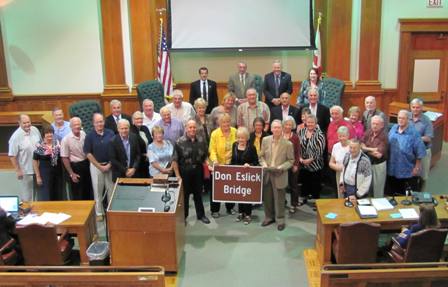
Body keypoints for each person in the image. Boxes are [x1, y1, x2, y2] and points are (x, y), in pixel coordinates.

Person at [172, 120, 210, 224]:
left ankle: (201, 215)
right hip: (185, 171)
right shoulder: (179, 142)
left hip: (198, 170)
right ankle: (183, 217)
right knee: (185, 196)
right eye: (190, 127)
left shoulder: (202, 140)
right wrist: (178, 176)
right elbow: (174, 160)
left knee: (198, 193)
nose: (192, 129)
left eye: (194, 127)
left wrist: (209, 164)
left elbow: (205, 156)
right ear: (186, 128)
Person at [259, 120, 294, 231]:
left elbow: (291, 160)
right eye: (274, 127)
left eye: (279, 127)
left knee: (279, 198)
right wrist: (263, 164)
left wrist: (282, 167)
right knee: (267, 197)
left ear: (282, 129)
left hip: (279, 173)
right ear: (271, 129)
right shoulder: (265, 140)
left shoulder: (288, 144)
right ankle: (269, 217)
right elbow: (261, 156)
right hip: (267, 173)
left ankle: (280, 220)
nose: (276, 129)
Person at [387, 110, 426, 195]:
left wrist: (417, 167)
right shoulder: (394, 128)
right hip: (392, 168)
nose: (400, 120)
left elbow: (420, 152)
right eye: (399, 118)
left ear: (408, 119)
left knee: (403, 197)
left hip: (406, 170)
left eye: (403, 118)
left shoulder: (414, 134)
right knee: (391, 194)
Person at [84, 113, 115, 219]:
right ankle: (99, 213)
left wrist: (110, 164)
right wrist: (99, 166)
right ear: (93, 123)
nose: (100, 124)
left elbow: (115, 149)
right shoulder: (89, 136)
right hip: (96, 167)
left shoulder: (110, 133)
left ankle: (111, 211)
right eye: (97, 122)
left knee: (111, 189)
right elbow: (88, 153)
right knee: (98, 190)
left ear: (104, 122)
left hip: (110, 166)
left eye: (101, 121)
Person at [208, 113, 237, 218]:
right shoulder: (215, 134)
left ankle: (230, 207)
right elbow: (212, 150)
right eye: (223, 122)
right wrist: (215, 162)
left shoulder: (235, 131)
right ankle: (215, 210)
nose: (226, 124)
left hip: (231, 166)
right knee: (216, 188)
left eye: (228, 121)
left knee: (231, 188)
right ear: (219, 123)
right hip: (218, 165)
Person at [8, 114, 41, 202]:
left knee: (39, 196)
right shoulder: (15, 137)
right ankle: (27, 214)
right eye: (24, 123)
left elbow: (41, 145)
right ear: (19, 123)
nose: (27, 125)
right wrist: (18, 170)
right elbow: (12, 155)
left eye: (28, 122)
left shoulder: (35, 130)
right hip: (26, 171)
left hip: (38, 169)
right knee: (27, 197)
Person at [230, 127, 259, 224]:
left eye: (242, 138)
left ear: (247, 138)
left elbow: (256, 162)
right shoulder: (234, 145)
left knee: (246, 196)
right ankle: (240, 213)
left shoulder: (251, 147)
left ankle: (248, 214)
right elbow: (232, 160)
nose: (240, 140)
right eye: (238, 137)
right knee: (239, 195)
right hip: (237, 176)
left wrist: (249, 165)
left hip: (248, 176)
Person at [61, 117, 93, 200]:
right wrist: (72, 174)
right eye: (75, 125)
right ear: (70, 126)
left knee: (88, 191)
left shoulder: (83, 134)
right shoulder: (65, 140)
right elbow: (64, 158)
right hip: (75, 167)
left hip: (86, 164)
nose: (77, 126)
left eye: (78, 124)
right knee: (78, 193)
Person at [298, 115, 326, 205]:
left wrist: (310, 160)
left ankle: (315, 202)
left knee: (315, 184)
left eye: (312, 122)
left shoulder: (320, 134)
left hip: (315, 163)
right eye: (308, 122)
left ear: (315, 123)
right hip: (303, 163)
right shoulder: (301, 132)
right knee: (305, 182)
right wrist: (300, 158)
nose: (310, 124)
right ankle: (304, 197)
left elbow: (320, 150)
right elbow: (297, 147)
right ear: (305, 122)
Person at [32, 125, 63, 201]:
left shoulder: (57, 144)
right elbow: (35, 160)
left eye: (51, 132)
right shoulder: (39, 146)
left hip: (57, 174)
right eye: (47, 133)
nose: (49, 134)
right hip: (45, 175)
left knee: (58, 195)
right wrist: (38, 176)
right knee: (47, 195)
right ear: (43, 135)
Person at [409, 98, 433, 191]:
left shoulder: (426, 120)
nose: (415, 109)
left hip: (424, 151)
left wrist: (416, 138)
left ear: (422, 108)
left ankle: (422, 194)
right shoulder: (407, 117)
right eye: (413, 107)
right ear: (410, 107)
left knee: (423, 176)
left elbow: (428, 138)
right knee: (412, 174)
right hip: (410, 151)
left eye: (418, 107)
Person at [362, 115, 388, 198]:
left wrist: (365, 149)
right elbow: (361, 144)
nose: (374, 126)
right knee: (367, 187)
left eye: (377, 124)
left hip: (378, 166)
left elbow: (379, 155)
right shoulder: (368, 132)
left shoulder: (384, 137)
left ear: (382, 125)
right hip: (368, 164)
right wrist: (372, 149)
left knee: (377, 190)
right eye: (373, 123)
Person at [338, 139, 372, 203]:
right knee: (346, 208)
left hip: (358, 191)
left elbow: (367, 180)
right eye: (350, 147)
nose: (352, 150)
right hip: (346, 188)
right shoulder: (347, 155)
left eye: (355, 148)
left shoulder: (365, 161)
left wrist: (357, 195)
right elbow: (343, 170)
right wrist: (342, 183)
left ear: (359, 148)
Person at [282, 116, 301, 213]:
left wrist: (296, 165)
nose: (288, 126)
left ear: (293, 125)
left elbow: (298, 152)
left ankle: (294, 204)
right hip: (281, 165)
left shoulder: (295, 137)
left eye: (290, 124)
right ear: (283, 125)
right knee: (282, 185)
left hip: (293, 164)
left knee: (293, 185)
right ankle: (282, 201)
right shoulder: (279, 135)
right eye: (286, 124)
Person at [329, 126, 350, 197]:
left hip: (350, 175)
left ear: (348, 136)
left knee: (350, 195)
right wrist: (338, 168)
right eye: (340, 136)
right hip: (338, 173)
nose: (342, 138)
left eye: (344, 136)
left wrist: (344, 169)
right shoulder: (336, 146)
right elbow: (331, 163)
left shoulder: (352, 146)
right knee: (340, 195)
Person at [130, 111, 153, 178]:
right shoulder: (131, 131)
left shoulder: (145, 128)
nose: (139, 120)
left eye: (141, 118)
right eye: (137, 119)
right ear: (133, 120)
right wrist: (144, 154)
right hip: (137, 162)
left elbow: (150, 141)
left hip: (148, 161)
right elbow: (134, 148)